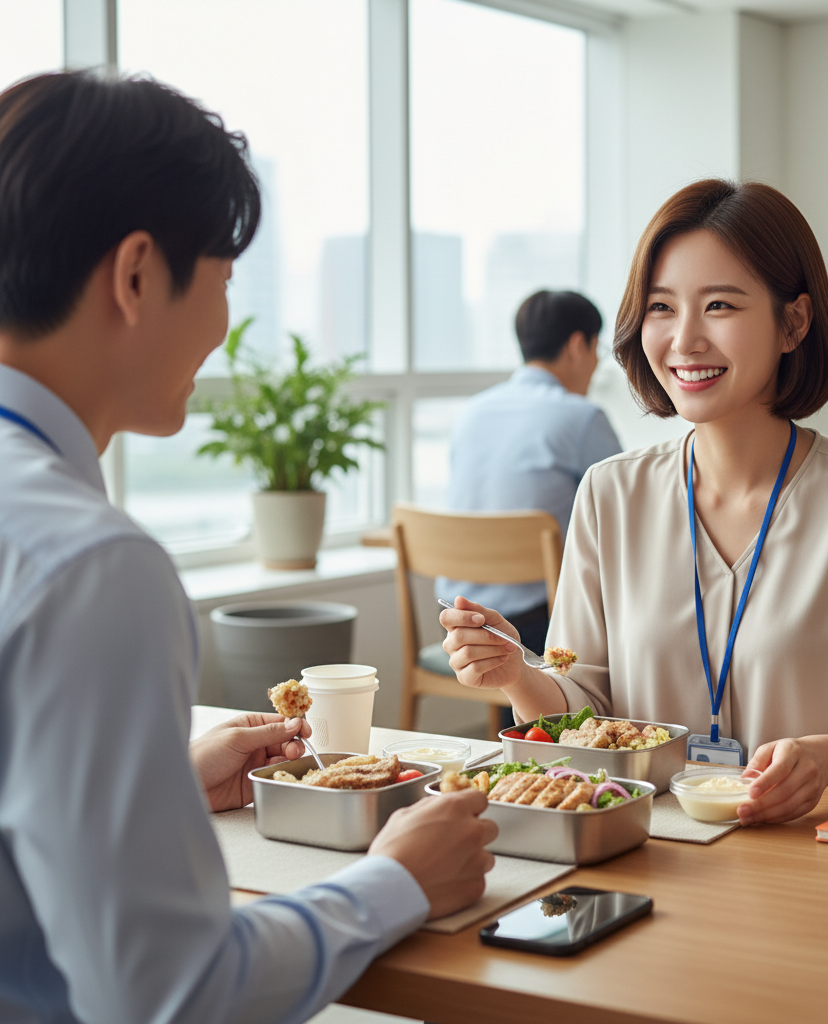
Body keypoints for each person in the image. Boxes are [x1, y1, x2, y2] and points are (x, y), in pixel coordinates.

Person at [0, 71, 496, 1024]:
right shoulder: (90, 567)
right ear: (136, 275)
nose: (225, 327)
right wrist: (396, 879)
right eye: (224, 281)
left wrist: (157, 791)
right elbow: (172, 995)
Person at [441, 179, 828, 826]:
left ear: (793, 322)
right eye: (661, 307)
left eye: (719, 306)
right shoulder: (609, 494)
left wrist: (825, 760)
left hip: (804, 854)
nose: (684, 340)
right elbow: (583, 710)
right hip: (644, 851)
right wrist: (517, 674)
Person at [436, 290, 621, 715]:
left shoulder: (471, 412)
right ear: (579, 345)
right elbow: (630, 512)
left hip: (458, 617)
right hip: (534, 624)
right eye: (598, 350)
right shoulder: (582, 417)